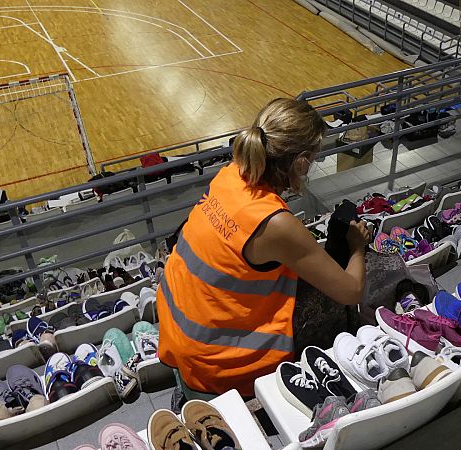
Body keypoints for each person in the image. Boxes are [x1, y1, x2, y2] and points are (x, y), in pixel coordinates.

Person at [156, 98, 372, 399]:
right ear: (300, 162)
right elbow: (351, 291)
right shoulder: (276, 224)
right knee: (353, 284)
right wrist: (357, 247)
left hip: (177, 330)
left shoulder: (230, 174)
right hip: (216, 362)